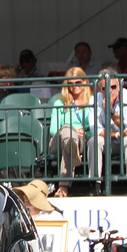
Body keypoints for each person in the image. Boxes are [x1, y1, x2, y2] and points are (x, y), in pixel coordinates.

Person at [92, 68, 127, 179]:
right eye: (105, 88)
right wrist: (117, 135)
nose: (110, 91)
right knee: (94, 141)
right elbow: (96, 131)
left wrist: (111, 111)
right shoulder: (94, 100)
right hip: (112, 140)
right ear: (100, 89)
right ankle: (94, 183)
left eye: (113, 87)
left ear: (119, 85)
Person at [47, 67, 92, 196]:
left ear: (85, 82)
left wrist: (84, 133)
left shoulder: (92, 102)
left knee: (70, 143)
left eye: (78, 83)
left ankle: (63, 187)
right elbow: (53, 130)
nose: (74, 87)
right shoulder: (60, 103)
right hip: (58, 141)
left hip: (82, 141)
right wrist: (72, 129)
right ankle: (71, 148)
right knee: (67, 131)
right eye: (70, 84)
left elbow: (96, 127)